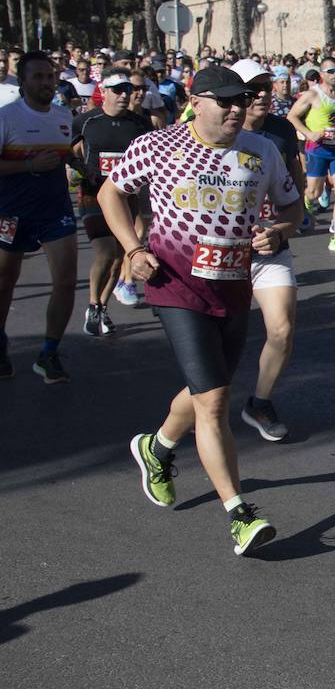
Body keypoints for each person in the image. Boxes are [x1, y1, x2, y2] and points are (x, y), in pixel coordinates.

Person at [99, 65, 303, 556]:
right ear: (197, 101)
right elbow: (111, 193)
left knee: (206, 389)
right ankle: (240, 514)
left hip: (233, 286)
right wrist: (132, 248)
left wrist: (279, 231)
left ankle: (158, 446)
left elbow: (293, 209)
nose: (237, 109)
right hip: (175, 286)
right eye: (227, 101)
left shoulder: (262, 151)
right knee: (213, 402)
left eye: (244, 100)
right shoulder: (158, 145)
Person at [233, 59, 311, 442]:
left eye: (267, 86)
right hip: (224, 252)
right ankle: (195, 407)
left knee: (281, 329)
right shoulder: (215, 132)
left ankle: (259, 402)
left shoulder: (280, 130)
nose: (263, 94)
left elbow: (293, 191)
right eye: (254, 88)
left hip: (270, 248)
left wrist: (282, 229)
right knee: (219, 342)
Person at [0, 52, 79, 381]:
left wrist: (80, 167)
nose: (46, 82)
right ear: (23, 82)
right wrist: (29, 165)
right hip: (12, 212)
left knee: (65, 282)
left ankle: (49, 353)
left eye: (50, 76)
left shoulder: (63, 116)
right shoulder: (7, 117)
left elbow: (65, 155)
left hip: (55, 211)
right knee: (5, 282)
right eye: (38, 77)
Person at [72, 70, 155, 338]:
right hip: (94, 195)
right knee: (106, 252)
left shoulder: (139, 124)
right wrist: (83, 172)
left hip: (125, 197)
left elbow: (152, 156)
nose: (124, 95)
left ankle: (100, 307)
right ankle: (93, 303)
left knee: (121, 256)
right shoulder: (86, 121)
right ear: (104, 92)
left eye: (127, 90)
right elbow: (70, 153)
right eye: (117, 90)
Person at [287, 58, 335, 253]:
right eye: (331, 71)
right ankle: (306, 201)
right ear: (322, 74)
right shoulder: (312, 95)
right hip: (317, 150)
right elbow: (292, 116)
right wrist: (309, 133)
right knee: (315, 192)